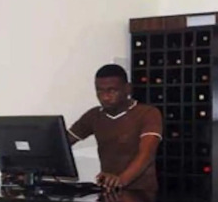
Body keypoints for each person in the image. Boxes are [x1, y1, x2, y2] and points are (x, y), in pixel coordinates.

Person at [68, 64, 162, 194]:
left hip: (142, 194)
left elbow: (146, 154)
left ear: (128, 89)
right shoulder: (94, 115)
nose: (105, 97)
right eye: (99, 91)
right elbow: (63, 142)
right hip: (109, 191)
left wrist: (120, 181)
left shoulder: (147, 113)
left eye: (112, 91)